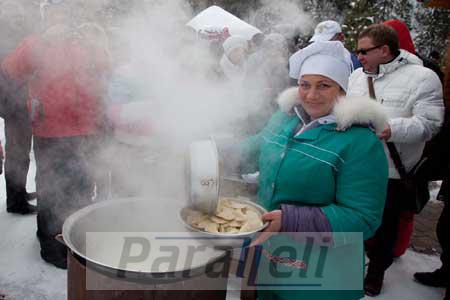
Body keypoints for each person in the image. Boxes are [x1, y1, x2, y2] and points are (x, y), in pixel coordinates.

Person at [240, 41, 389, 300]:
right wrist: (207, 151)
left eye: (324, 85)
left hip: (321, 271)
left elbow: (363, 217)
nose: (311, 95)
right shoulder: (285, 118)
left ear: (342, 91)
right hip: (270, 255)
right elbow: (255, 147)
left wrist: (292, 220)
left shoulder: (359, 142)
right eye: (305, 84)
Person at [1, 0, 111, 269]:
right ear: (46, 19)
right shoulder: (34, 44)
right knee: (52, 187)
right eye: (53, 15)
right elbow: (8, 71)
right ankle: (51, 246)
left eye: (63, 16)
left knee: (82, 185)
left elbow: (105, 67)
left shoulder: (87, 42)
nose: (59, 22)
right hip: (50, 129)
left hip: (86, 128)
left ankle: (78, 240)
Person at [347, 23, 444, 296]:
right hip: (356, 165)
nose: (358, 56)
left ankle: (376, 270)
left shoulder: (423, 78)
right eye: (357, 51)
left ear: (384, 50)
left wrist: (392, 129)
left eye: (363, 51)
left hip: (392, 170)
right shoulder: (356, 76)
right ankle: (355, 261)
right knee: (356, 219)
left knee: (385, 225)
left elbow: (430, 124)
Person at [0, 1, 36, 215]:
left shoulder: (12, 31)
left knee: (20, 152)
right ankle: (15, 200)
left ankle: (19, 192)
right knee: (18, 153)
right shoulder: (9, 35)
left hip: (16, 100)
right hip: (14, 102)